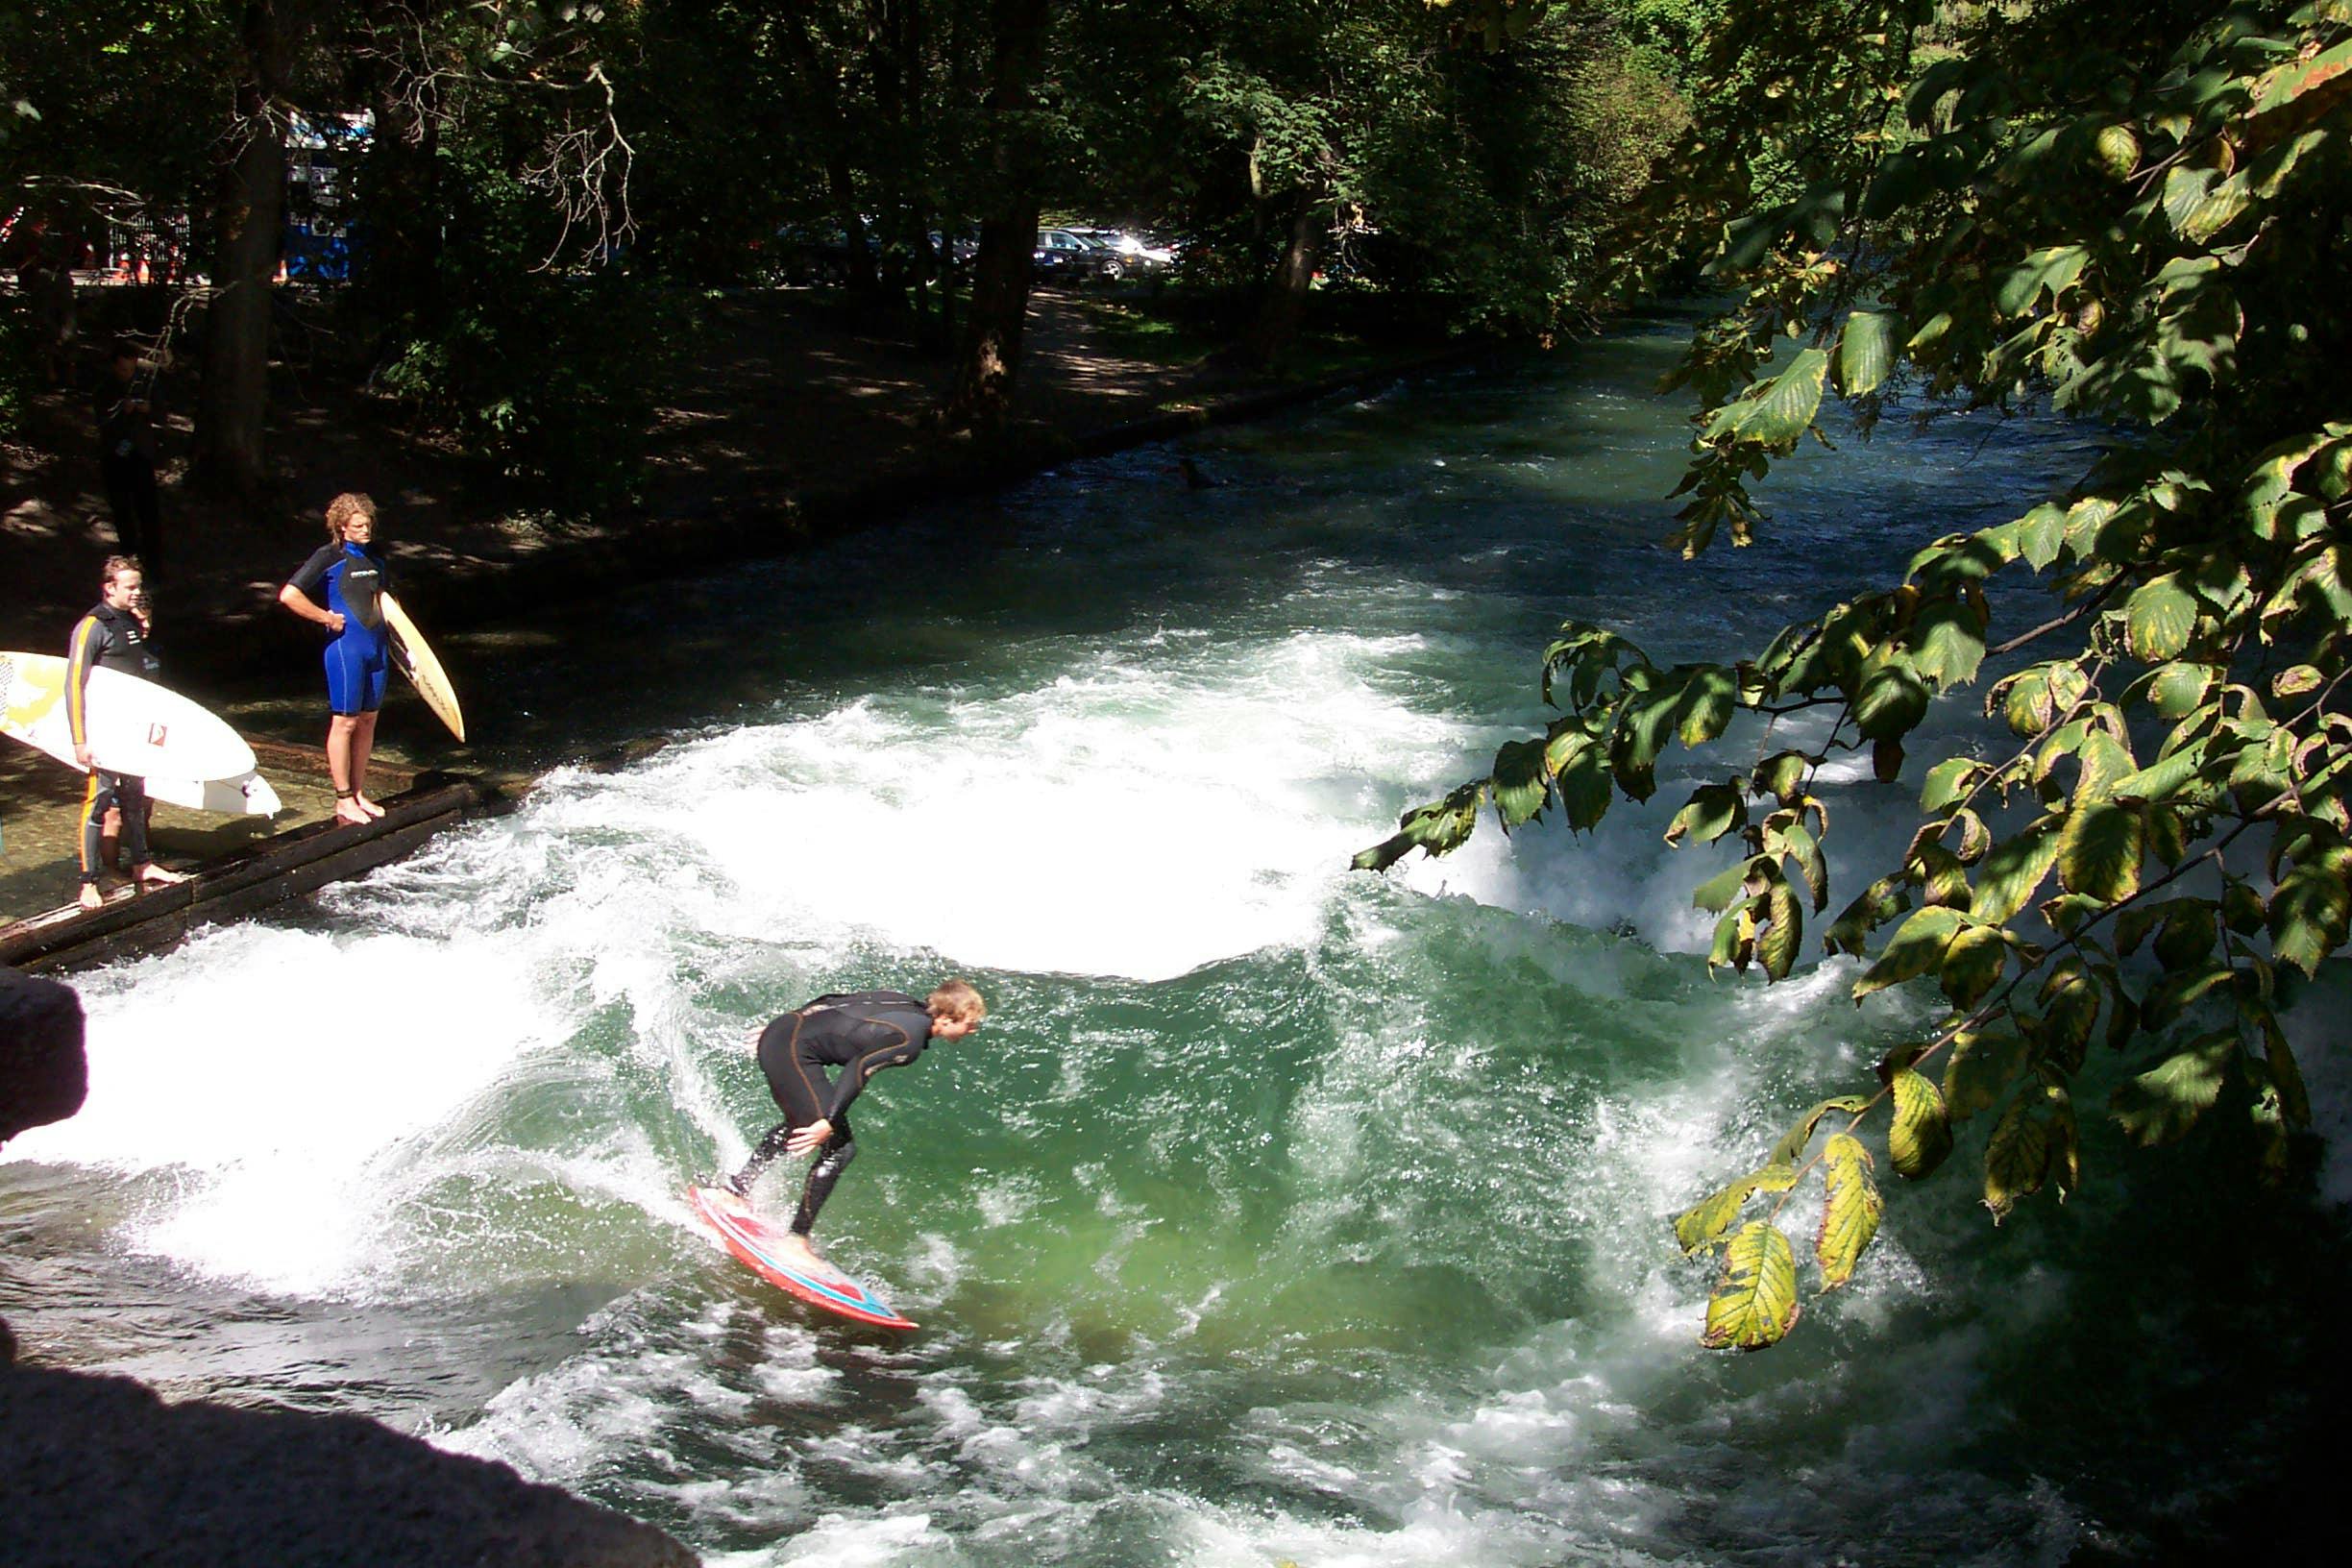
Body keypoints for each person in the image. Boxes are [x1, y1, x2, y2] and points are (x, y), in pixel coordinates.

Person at [721, 980, 989, 1271]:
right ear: (946, 1019)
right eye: (970, 1025)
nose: (973, 1031)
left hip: (786, 1028)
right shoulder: (908, 1041)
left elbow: (831, 999)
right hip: (791, 1051)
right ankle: (794, 1241)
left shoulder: (901, 1001)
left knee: (803, 1120)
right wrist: (830, 1120)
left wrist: (780, 1030)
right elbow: (858, 1068)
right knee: (840, 1149)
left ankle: (734, 1190)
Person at [65, 556, 188, 911]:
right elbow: (73, 684)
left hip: (132, 730)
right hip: (105, 732)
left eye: (138, 586)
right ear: (110, 587)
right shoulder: (92, 625)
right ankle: (88, 883)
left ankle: (142, 863)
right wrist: (79, 739)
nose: (137, 592)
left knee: (136, 799)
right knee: (99, 803)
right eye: (130, 587)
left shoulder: (130, 623)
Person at [279, 493, 392, 826]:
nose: (365, 529)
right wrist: (325, 618)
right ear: (342, 527)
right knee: (345, 721)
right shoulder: (328, 556)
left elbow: (384, 599)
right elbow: (289, 594)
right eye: (358, 525)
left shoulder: (377, 556)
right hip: (346, 648)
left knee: (369, 719)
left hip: (377, 646)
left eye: (368, 523)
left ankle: (357, 792)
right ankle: (342, 799)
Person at [92, 339, 162, 574]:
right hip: (115, 455)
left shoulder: (143, 385)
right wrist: (122, 410)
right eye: (123, 369)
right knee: (122, 509)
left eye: (131, 369)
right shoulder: (104, 389)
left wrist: (148, 409)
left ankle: (154, 562)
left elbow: (162, 413)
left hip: (141, 453)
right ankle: (130, 557)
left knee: (148, 510)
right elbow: (102, 420)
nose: (127, 374)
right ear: (114, 366)